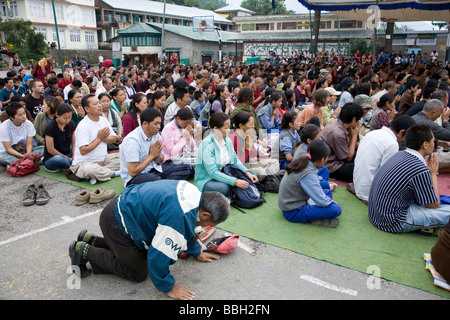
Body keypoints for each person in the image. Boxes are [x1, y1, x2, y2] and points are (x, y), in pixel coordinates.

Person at [69, 180, 229, 300]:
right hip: (117, 223)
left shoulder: (193, 194)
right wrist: (168, 286)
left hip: (122, 212)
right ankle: (83, 250)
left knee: (138, 255)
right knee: (138, 272)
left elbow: (186, 229)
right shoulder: (178, 217)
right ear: (205, 214)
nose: (205, 225)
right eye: (209, 223)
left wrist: (196, 251)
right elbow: (158, 255)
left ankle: (93, 240)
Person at [369, 124, 450, 234]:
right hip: (393, 221)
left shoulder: (400, 154)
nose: (434, 144)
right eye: (433, 141)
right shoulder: (419, 168)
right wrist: (433, 174)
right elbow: (433, 205)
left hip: (376, 214)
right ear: (425, 145)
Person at [119, 108, 193, 187]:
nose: (158, 127)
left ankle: (163, 186)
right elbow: (132, 171)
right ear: (145, 124)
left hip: (154, 169)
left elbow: (160, 159)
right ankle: (165, 185)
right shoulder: (132, 140)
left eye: (159, 124)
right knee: (156, 179)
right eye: (156, 124)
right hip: (136, 176)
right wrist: (151, 156)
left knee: (186, 167)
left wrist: (157, 156)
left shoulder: (156, 135)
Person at [278, 140, 342, 228]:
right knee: (336, 209)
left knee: (327, 192)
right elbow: (322, 201)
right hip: (293, 211)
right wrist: (330, 202)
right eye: (327, 158)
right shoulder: (307, 173)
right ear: (323, 159)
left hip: (294, 203)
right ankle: (316, 218)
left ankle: (317, 214)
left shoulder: (304, 161)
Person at [353, 115, 415, 203]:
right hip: (369, 193)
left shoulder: (373, 133)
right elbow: (386, 176)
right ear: (402, 132)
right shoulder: (392, 143)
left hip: (359, 186)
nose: (405, 140)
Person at [195, 112, 258, 197]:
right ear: (216, 129)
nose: (229, 130)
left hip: (225, 173)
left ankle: (236, 193)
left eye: (229, 127)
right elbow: (213, 172)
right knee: (224, 188)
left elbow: (235, 160)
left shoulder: (227, 140)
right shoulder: (207, 145)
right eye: (226, 128)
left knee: (252, 174)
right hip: (208, 179)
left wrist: (247, 172)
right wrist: (235, 181)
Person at [69, 94, 121, 184]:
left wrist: (116, 138)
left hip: (103, 159)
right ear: (87, 109)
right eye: (95, 104)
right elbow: (83, 151)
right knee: (89, 169)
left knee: (124, 157)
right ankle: (113, 173)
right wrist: (100, 138)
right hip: (85, 163)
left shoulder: (103, 120)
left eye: (99, 103)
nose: (100, 105)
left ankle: (98, 175)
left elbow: (111, 138)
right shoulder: (83, 126)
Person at [228, 111, 280, 181]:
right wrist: (247, 148)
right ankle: (268, 177)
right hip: (239, 168)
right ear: (241, 126)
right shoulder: (233, 139)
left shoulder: (248, 134)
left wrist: (253, 146)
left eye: (253, 124)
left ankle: (267, 177)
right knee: (261, 171)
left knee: (274, 162)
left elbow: (253, 154)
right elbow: (238, 163)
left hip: (248, 164)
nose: (253, 126)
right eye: (250, 124)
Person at [321, 102, 363, 182]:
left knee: (360, 156)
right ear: (354, 119)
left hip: (336, 156)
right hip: (329, 164)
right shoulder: (337, 133)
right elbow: (348, 157)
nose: (359, 123)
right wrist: (354, 135)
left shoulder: (336, 121)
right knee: (358, 169)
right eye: (358, 120)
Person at [0, 102, 44, 167]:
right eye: (20, 115)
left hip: (23, 149)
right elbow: (8, 149)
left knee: (45, 149)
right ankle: (30, 162)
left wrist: (28, 154)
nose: (24, 116)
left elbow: (29, 143)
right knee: (1, 157)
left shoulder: (28, 124)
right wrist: (23, 156)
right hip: (8, 152)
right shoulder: (4, 127)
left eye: (24, 113)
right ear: (12, 117)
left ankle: (20, 164)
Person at [412, 98, 450, 169]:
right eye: (440, 113)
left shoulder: (414, 117)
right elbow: (448, 135)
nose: (440, 115)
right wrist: (445, 120)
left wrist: (437, 142)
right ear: (434, 112)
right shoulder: (427, 123)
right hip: (421, 158)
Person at [42, 103, 75, 172]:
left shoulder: (70, 124)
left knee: (81, 151)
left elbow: (74, 142)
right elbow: (50, 149)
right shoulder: (50, 127)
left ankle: (73, 163)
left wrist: (74, 155)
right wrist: (66, 157)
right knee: (61, 160)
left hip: (67, 153)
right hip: (53, 158)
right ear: (57, 115)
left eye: (70, 117)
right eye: (65, 118)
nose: (68, 120)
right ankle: (74, 164)